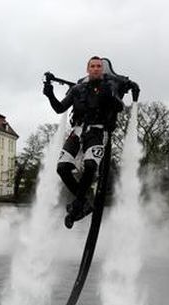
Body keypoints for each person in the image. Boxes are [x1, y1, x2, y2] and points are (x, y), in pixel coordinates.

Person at [43, 56, 140, 228]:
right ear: (87, 69)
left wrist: (109, 96)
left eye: (98, 66)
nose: (95, 69)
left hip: (97, 132)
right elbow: (59, 108)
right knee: (62, 168)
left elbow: (119, 107)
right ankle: (84, 201)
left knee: (89, 165)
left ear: (102, 70)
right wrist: (49, 92)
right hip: (78, 131)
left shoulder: (108, 87)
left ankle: (79, 203)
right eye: (92, 66)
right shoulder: (77, 89)